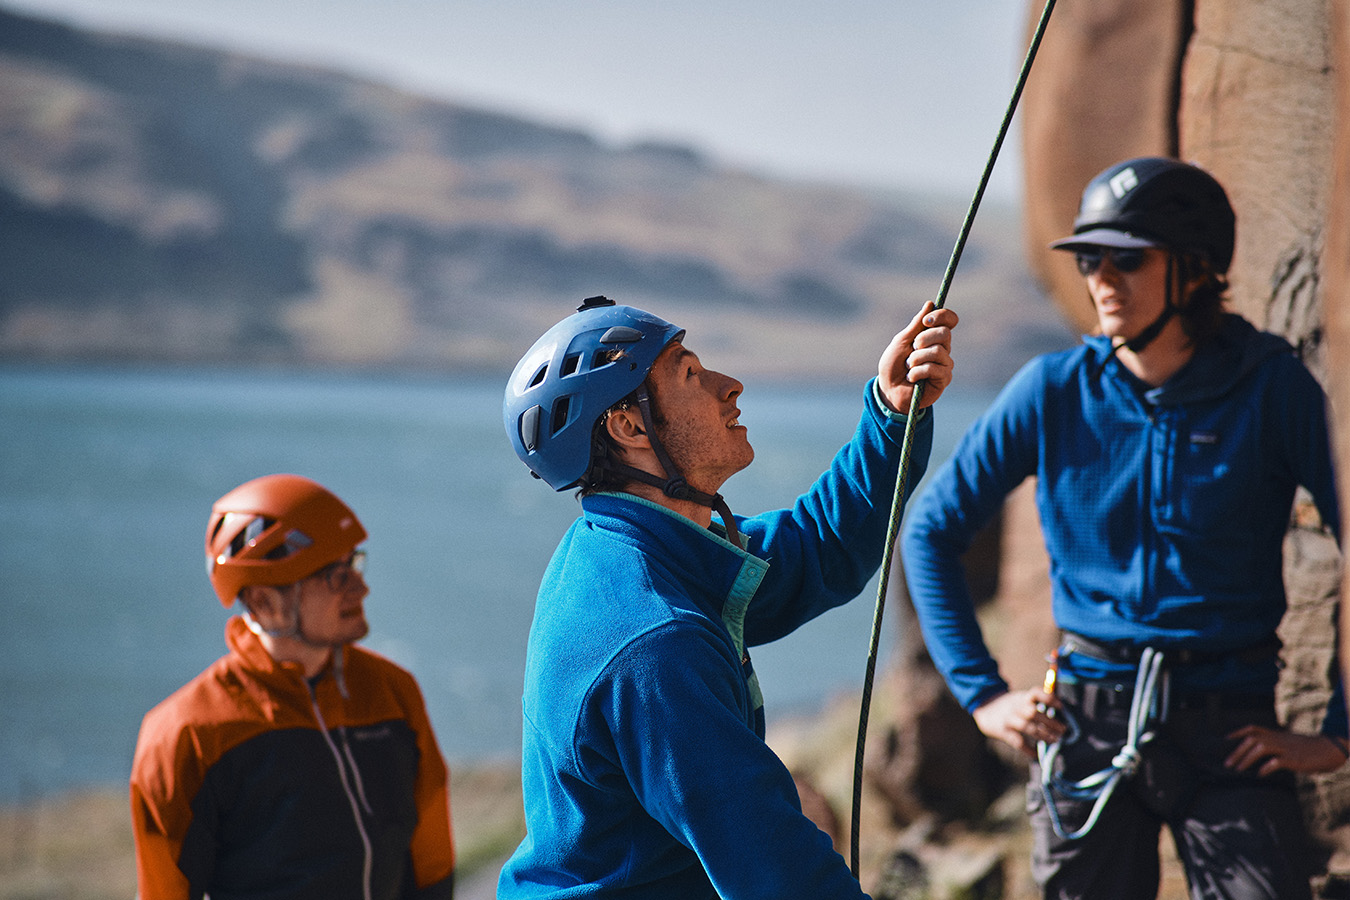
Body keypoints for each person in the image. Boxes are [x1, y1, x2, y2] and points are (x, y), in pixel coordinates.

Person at [901, 157, 1346, 900]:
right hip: (1082, 727)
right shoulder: (1052, 390)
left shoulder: (1272, 387)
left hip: (1231, 728)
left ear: (1197, 268)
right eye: (1089, 258)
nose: (1102, 278)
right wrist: (983, 696)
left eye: (1128, 258)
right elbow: (930, 531)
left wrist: (1338, 731)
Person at [497, 294, 958, 899]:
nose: (730, 386)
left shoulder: (629, 550)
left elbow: (812, 550)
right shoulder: (655, 641)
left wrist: (891, 413)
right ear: (629, 426)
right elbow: (774, 868)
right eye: (690, 373)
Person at [129, 473, 456, 900]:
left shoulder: (393, 692)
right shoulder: (184, 736)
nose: (362, 588)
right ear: (264, 602)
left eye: (355, 564)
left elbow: (432, 868)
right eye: (335, 576)